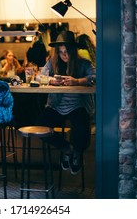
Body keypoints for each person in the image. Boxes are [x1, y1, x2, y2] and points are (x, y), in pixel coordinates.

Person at [36, 31, 96, 175]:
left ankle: (76, 153)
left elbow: (96, 76)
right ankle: (67, 149)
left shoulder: (83, 63)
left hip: (77, 105)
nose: (64, 56)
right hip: (55, 105)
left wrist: (77, 81)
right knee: (40, 128)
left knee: (82, 128)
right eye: (61, 52)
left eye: (67, 52)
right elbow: (39, 77)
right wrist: (51, 80)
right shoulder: (52, 62)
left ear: (73, 51)